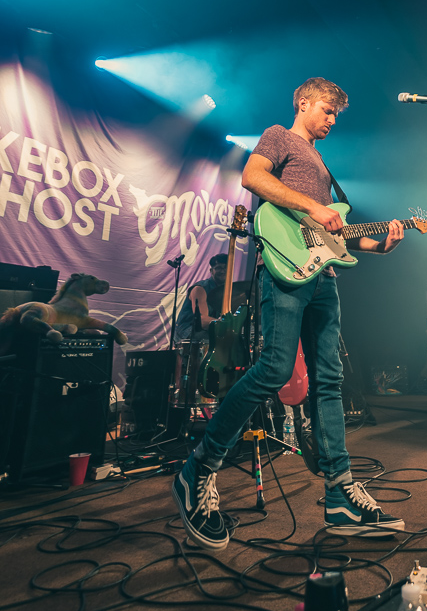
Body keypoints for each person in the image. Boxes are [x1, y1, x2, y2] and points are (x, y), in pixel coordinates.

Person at [172, 77, 406, 550]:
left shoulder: (322, 163)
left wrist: (379, 245)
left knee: (329, 380)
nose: (332, 119)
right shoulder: (280, 135)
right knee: (274, 369)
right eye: (326, 109)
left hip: (323, 276)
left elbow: (336, 237)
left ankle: (339, 491)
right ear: (303, 102)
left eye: (337, 114)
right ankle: (199, 467)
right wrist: (313, 208)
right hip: (283, 268)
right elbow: (253, 178)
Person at [173, 253, 229, 344]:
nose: (223, 271)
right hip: (189, 330)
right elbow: (202, 321)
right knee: (219, 340)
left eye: (225, 267)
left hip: (209, 330)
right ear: (211, 271)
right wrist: (228, 324)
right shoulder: (200, 288)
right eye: (218, 268)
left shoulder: (228, 291)